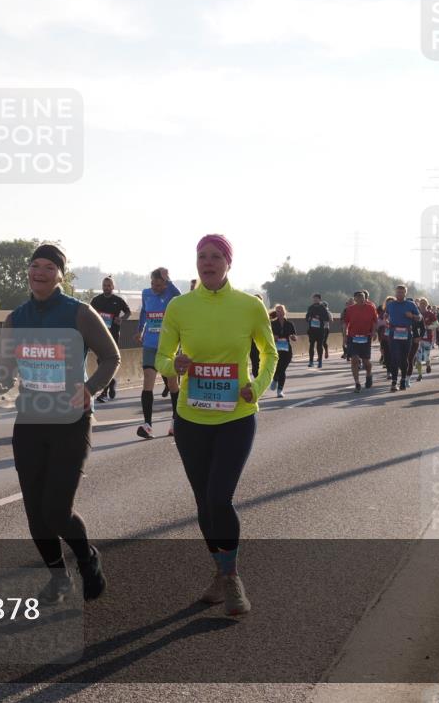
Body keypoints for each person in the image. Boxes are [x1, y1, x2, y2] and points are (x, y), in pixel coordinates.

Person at [0, 243, 119, 604]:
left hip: (71, 421)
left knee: (56, 510)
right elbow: (8, 373)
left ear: (60, 275)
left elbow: (111, 357)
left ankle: (87, 559)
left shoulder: (79, 313)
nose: (40, 272)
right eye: (35, 265)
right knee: (36, 515)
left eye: (48, 267)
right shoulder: (16, 318)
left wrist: (90, 389)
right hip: (31, 422)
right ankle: (58, 577)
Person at [156, 234, 277, 616]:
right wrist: (171, 365)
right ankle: (220, 572)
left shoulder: (249, 306)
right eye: (201, 256)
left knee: (218, 498)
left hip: (236, 417)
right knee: (202, 505)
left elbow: (269, 353)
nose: (207, 262)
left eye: (215, 257)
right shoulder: (179, 306)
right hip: (191, 418)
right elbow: (161, 356)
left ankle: (233, 577)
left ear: (228, 263)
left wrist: (255, 387)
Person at [136, 268, 181, 439]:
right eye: (153, 284)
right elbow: (143, 313)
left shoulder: (171, 293)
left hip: (168, 346)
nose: (155, 287)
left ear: (165, 283)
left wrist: (168, 281)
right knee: (148, 380)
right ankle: (147, 425)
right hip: (149, 344)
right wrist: (140, 330)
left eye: (159, 284)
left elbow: (180, 296)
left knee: (172, 384)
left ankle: (175, 421)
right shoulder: (146, 293)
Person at [90, 276, 130, 402]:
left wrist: (121, 319)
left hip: (113, 336)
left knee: (108, 362)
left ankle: (104, 393)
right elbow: (88, 313)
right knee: (101, 362)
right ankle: (111, 382)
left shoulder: (118, 300)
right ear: (102, 286)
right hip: (100, 335)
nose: (106, 287)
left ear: (113, 287)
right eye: (104, 285)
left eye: (109, 285)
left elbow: (128, 312)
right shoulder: (96, 300)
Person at [384, 285, 420, 392]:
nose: (399, 294)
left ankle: (403, 380)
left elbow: (419, 318)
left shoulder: (411, 304)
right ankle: (394, 382)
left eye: (402, 292)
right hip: (394, 333)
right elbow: (386, 314)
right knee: (394, 357)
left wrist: (412, 316)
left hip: (406, 333)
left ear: (405, 293)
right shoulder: (390, 304)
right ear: (395, 293)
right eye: (398, 292)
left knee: (404, 359)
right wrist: (386, 318)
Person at [343, 291, 379, 392]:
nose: (361, 299)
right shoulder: (350, 309)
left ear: (365, 298)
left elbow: (375, 321)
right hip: (353, 337)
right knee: (354, 360)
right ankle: (357, 383)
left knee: (366, 361)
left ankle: (369, 374)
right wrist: (344, 336)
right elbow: (345, 323)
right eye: (358, 298)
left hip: (365, 337)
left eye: (362, 297)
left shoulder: (370, 308)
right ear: (355, 299)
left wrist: (374, 332)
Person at [269, 305, 297, 398]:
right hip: (276, 349)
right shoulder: (272, 324)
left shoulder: (289, 324)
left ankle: (279, 388)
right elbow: (268, 336)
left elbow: (294, 337)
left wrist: (293, 337)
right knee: (277, 368)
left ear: (284, 312)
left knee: (282, 369)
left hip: (286, 350)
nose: (279, 313)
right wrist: (273, 337)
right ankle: (276, 381)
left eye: (281, 311)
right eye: (277, 311)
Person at [413, 298, 438, 381]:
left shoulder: (430, 314)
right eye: (421, 303)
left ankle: (428, 365)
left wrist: (428, 327)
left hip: (428, 338)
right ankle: (419, 374)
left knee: (426, 356)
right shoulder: (416, 313)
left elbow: (436, 324)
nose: (422, 305)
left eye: (424, 304)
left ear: (426, 305)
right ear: (419, 305)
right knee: (418, 357)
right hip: (418, 338)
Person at [304, 294, 330, 368]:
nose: (315, 300)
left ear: (320, 299)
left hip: (320, 330)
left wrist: (320, 318)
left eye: (316, 298)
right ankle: (311, 361)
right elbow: (306, 317)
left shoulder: (322, 308)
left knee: (319, 346)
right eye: (314, 298)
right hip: (312, 330)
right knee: (311, 345)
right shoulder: (310, 307)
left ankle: (320, 361)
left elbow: (327, 318)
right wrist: (309, 318)